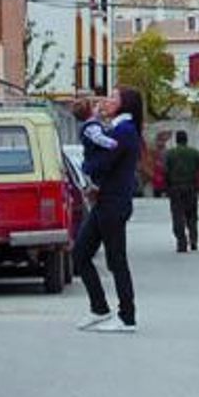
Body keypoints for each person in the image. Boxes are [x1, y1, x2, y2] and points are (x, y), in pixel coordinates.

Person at [73, 87, 143, 333]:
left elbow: (101, 164)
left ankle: (127, 317)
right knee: (80, 253)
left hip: (113, 203)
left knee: (116, 261)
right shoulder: (118, 129)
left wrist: (85, 164)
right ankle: (99, 308)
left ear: (126, 104)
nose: (108, 100)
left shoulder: (124, 131)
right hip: (106, 202)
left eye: (114, 97)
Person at [163, 130, 199, 253]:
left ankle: (182, 242)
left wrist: (166, 187)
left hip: (175, 188)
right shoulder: (195, 153)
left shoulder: (169, 154)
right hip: (191, 188)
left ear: (176, 140)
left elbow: (165, 172)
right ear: (186, 140)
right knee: (192, 215)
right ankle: (194, 240)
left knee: (177, 216)